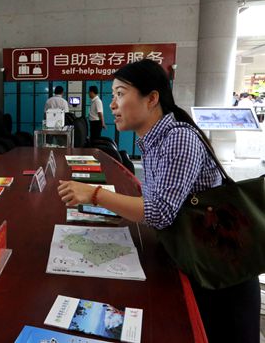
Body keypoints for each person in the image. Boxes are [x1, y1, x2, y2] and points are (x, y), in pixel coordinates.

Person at [57, 59, 260, 343]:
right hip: (197, 260)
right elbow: (158, 200)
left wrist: (94, 194)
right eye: (112, 95)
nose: (113, 104)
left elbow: (158, 212)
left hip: (221, 276)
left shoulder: (177, 138)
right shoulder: (154, 139)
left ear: (152, 98)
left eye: (120, 94)